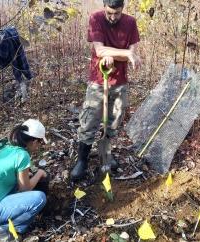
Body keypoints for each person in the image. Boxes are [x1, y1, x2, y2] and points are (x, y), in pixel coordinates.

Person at [70, 0, 141, 181]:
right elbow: (100, 50)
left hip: (120, 82)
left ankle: (105, 154)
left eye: (117, 13)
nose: (112, 17)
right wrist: (125, 54)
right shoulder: (96, 18)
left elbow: (133, 51)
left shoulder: (130, 23)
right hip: (98, 81)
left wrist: (121, 54)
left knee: (114, 121)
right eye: (109, 12)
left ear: (122, 9)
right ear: (104, 7)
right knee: (90, 120)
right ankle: (82, 160)